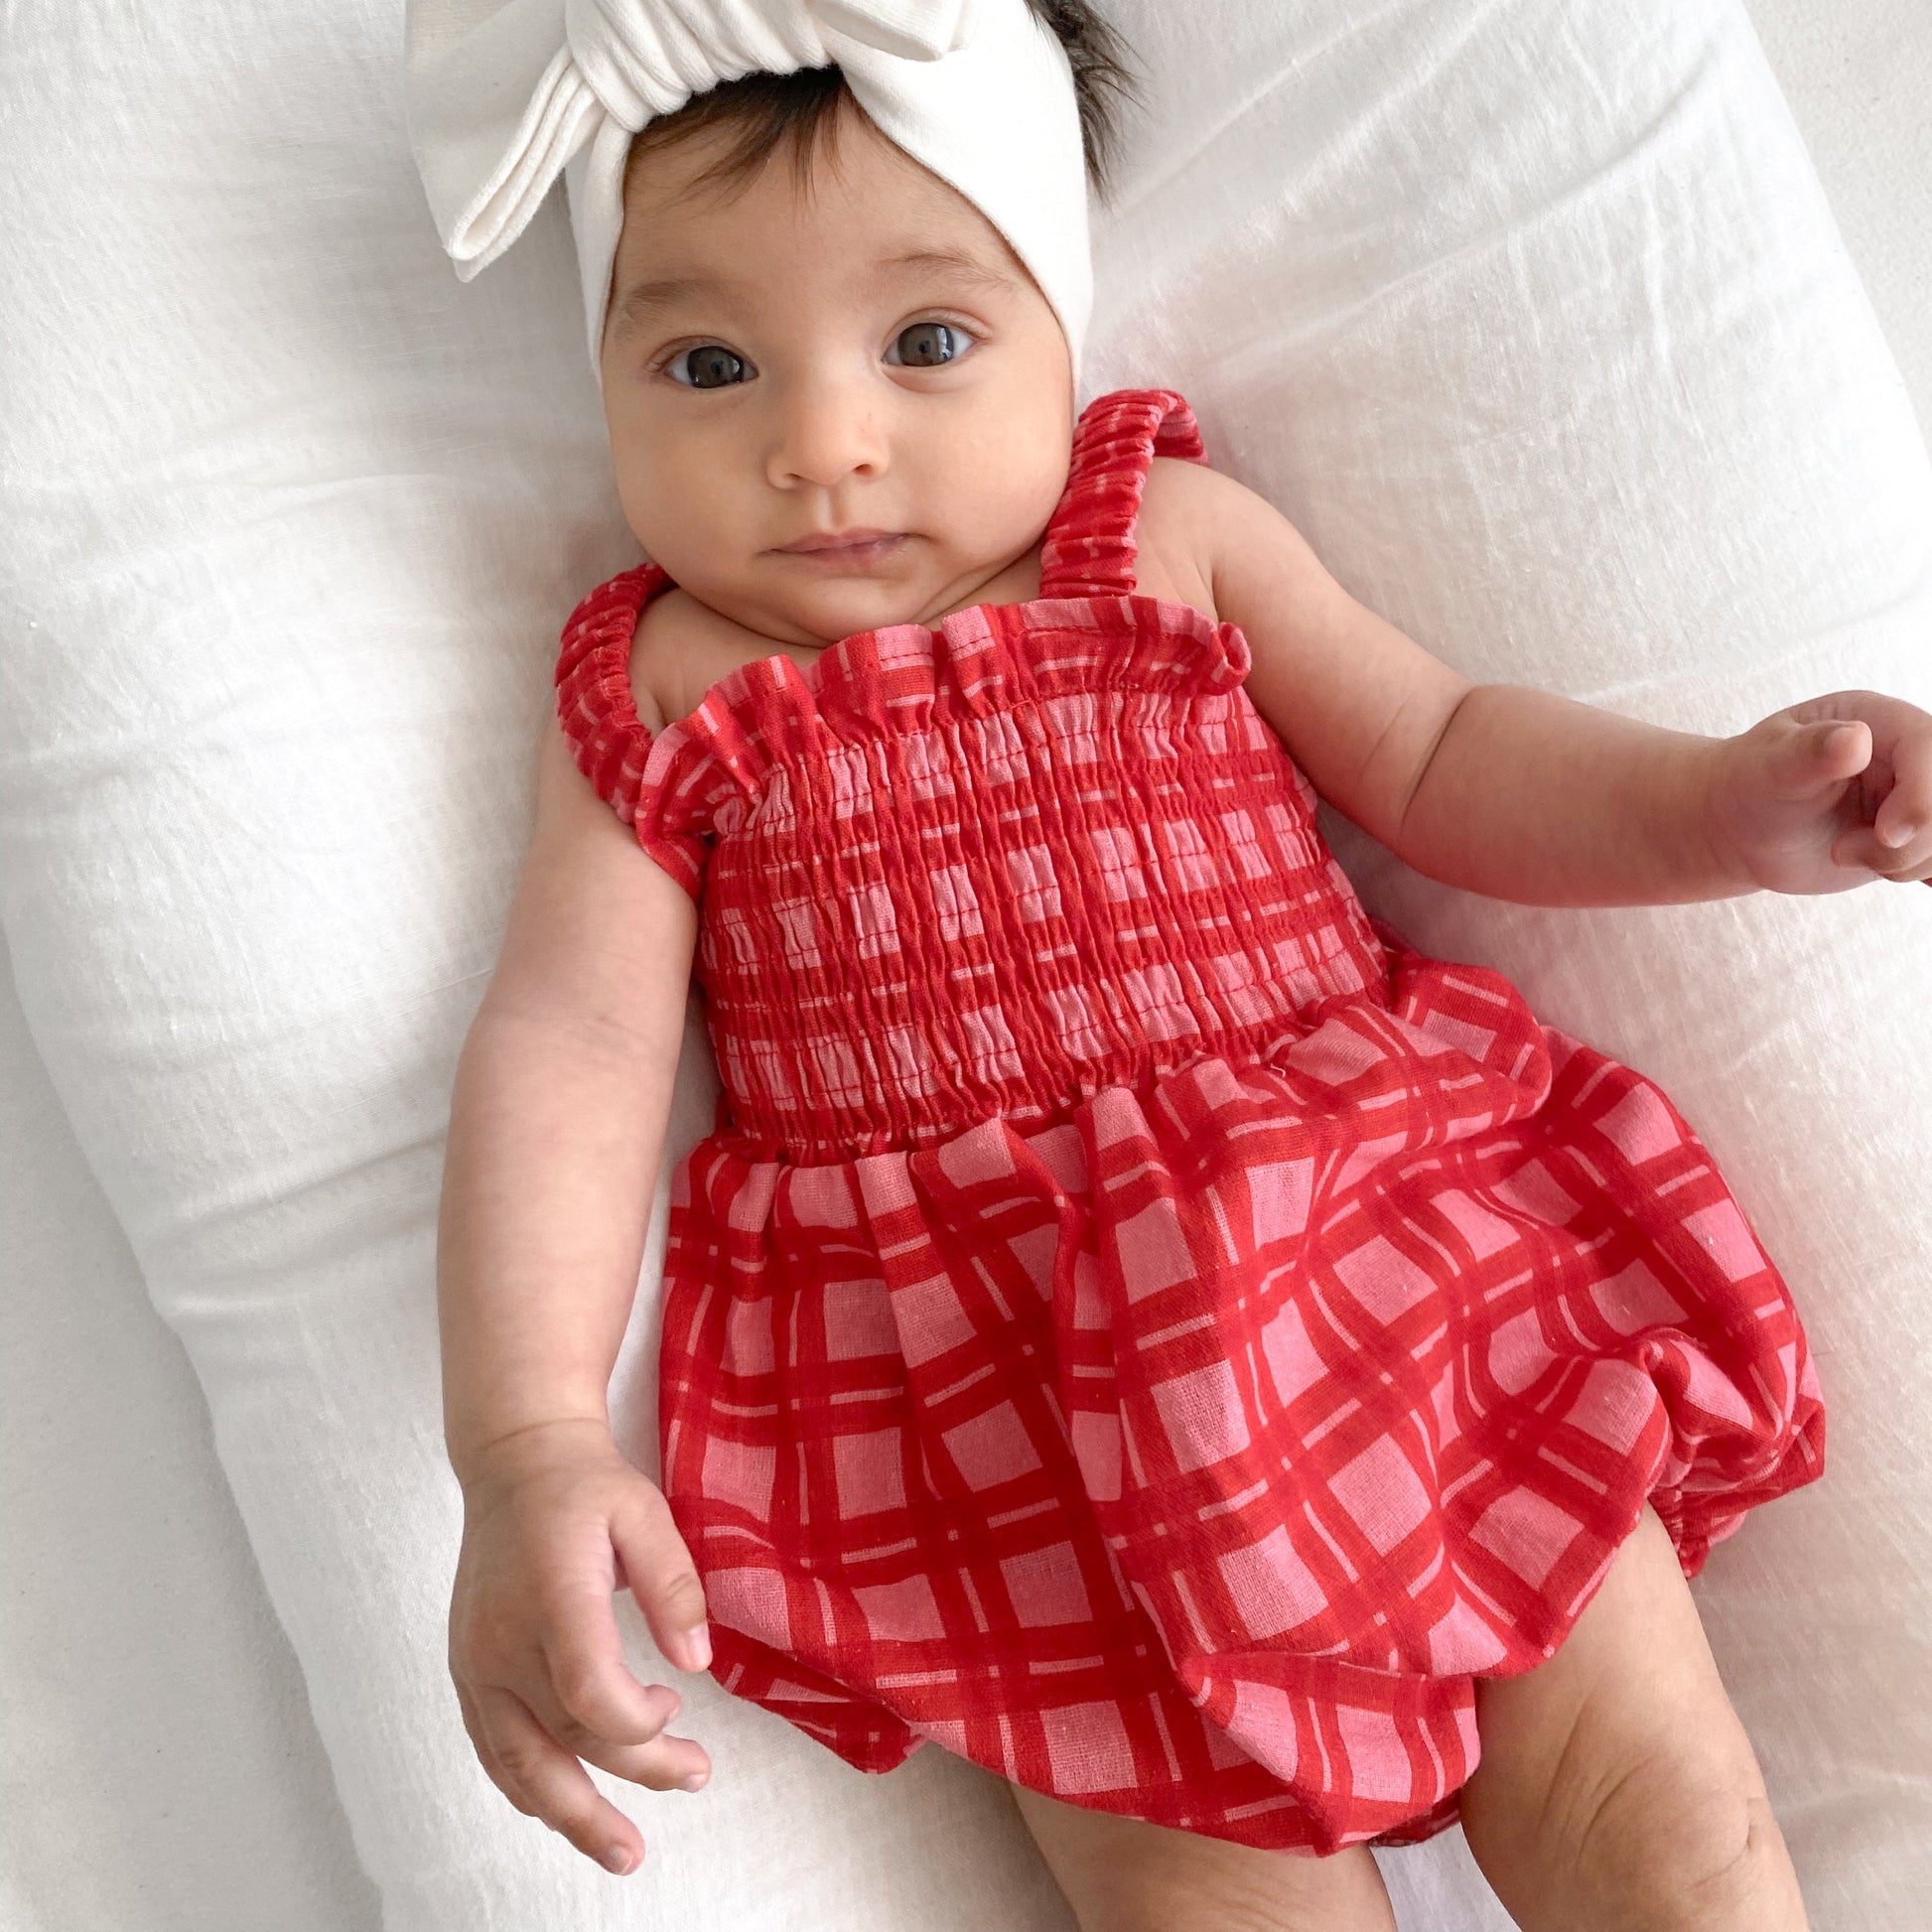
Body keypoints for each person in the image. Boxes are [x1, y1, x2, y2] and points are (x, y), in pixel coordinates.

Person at [410, 3, 1929, 1925]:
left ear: (1061, 319)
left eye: (929, 342)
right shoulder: (663, 691)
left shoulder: (1168, 544)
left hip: (1381, 1263)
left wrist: (1728, 810)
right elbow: (574, 1034)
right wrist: (526, 1432)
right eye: (706, 364)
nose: (819, 442)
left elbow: (1446, 758)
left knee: (1658, 1812)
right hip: (992, 1400)